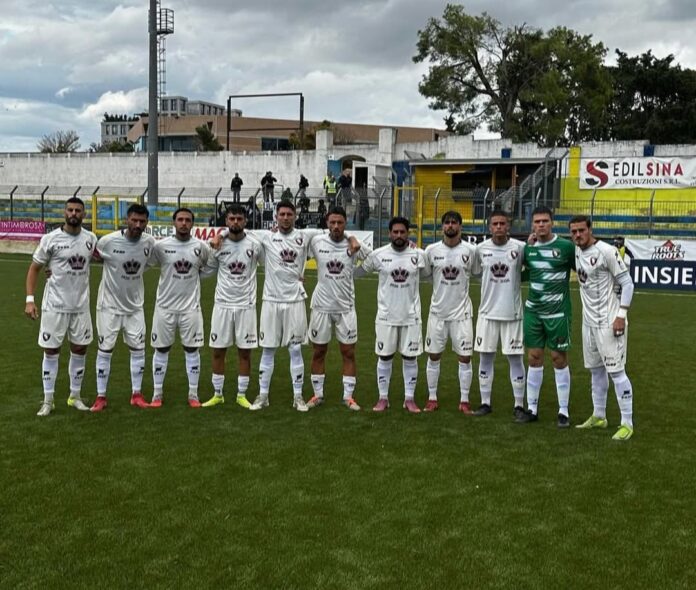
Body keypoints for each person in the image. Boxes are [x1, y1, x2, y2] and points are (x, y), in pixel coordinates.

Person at [25, 197, 98, 416]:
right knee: (51, 350)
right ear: (64, 212)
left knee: (80, 349)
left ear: (84, 214)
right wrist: (30, 300)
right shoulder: (50, 239)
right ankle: (48, 400)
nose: (74, 213)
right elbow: (34, 269)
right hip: (54, 305)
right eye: (70, 210)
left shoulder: (91, 239)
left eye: (78, 210)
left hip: (80, 306)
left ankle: (74, 396)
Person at [569, 216, 635, 441]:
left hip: (609, 322)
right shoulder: (577, 250)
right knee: (596, 370)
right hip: (588, 323)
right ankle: (599, 416)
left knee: (617, 372)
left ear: (590, 229)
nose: (578, 235)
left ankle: (627, 423)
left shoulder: (607, 251)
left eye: (581, 230)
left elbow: (627, 284)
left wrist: (621, 316)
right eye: (574, 232)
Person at [355, 216, 426, 413]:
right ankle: (383, 398)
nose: (399, 235)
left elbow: (431, 274)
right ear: (389, 234)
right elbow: (358, 273)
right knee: (385, 357)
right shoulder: (379, 255)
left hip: (411, 317)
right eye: (395, 232)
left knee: (410, 358)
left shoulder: (419, 255)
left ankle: (409, 399)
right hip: (386, 317)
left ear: (408, 233)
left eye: (402, 232)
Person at [90, 203, 156, 412]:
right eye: (134, 220)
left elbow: (149, 263)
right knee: (105, 349)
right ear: (126, 220)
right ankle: (101, 396)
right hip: (108, 307)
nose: (137, 225)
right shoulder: (107, 242)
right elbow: (88, 257)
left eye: (142, 221)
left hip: (135, 307)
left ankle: (136, 394)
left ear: (146, 222)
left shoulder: (149, 242)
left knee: (138, 350)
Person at [307, 206, 371, 411]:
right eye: (332, 222)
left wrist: (355, 274)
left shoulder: (354, 244)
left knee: (348, 352)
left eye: (340, 222)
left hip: (346, 308)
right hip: (321, 307)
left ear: (345, 223)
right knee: (318, 351)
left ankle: (348, 397)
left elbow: (372, 259)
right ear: (327, 223)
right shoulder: (316, 241)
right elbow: (297, 251)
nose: (336, 226)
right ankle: (317, 395)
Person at [518, 205, 576, 427]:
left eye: (545, 221)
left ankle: (563, 411)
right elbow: (522, 274)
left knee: (558, 359)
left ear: (552, 223)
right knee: (534, 358)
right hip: (533, 312)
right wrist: (528, 246)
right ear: (532, 225)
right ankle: (532, 408)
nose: (541, 225)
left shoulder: (566, 247)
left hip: (558, 313)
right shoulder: (529, 249)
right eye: (537, 221)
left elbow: (582, 270)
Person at [201, 204, 263, 409]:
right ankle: (217, 394)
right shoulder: (218, 246)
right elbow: (207, 271)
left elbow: (271, 265)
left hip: (246, 305)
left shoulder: (255, 244)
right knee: (218, 351)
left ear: (245, 221)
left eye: (239, 218)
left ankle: (241, 395)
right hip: (222, 305)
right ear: (226, 221)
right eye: (231, 218)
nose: (235, 222)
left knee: (245, 352)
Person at [149, 208, 210, 408]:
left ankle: (193, 394)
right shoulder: (161, 246)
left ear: (192, 223)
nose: (184, 223)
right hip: (164, 307)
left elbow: (209, 266)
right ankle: (157, 394)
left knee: (192, 349)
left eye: (187, 220)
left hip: (190, 308)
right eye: (180, 220)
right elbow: (147, 263)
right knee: (161, 349)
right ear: (173, 222)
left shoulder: (200, 247)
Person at [422, 211, 477, 413]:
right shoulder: (431, 250)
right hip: (437, 313)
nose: (450, 226)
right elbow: (427, 274)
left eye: (454, 222)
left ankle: (464, 400)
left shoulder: (470, 251)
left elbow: (477, 272)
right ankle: (432, 398)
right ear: (442, 226)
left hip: (462, 315)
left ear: (460, 226)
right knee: (433, 355)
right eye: (447, 222)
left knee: (465, 358)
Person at [472, 210, 526, 419]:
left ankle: (519, 405)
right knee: (485, 357)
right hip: (487, 313)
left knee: (515, 358)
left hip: (512, 313)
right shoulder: (480, 249)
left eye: (503, 223)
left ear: (508, 226)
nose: (499, 227)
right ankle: (485, 402)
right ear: (489, 227)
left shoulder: (520, 248)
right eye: (495, 224)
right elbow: (476, 272)